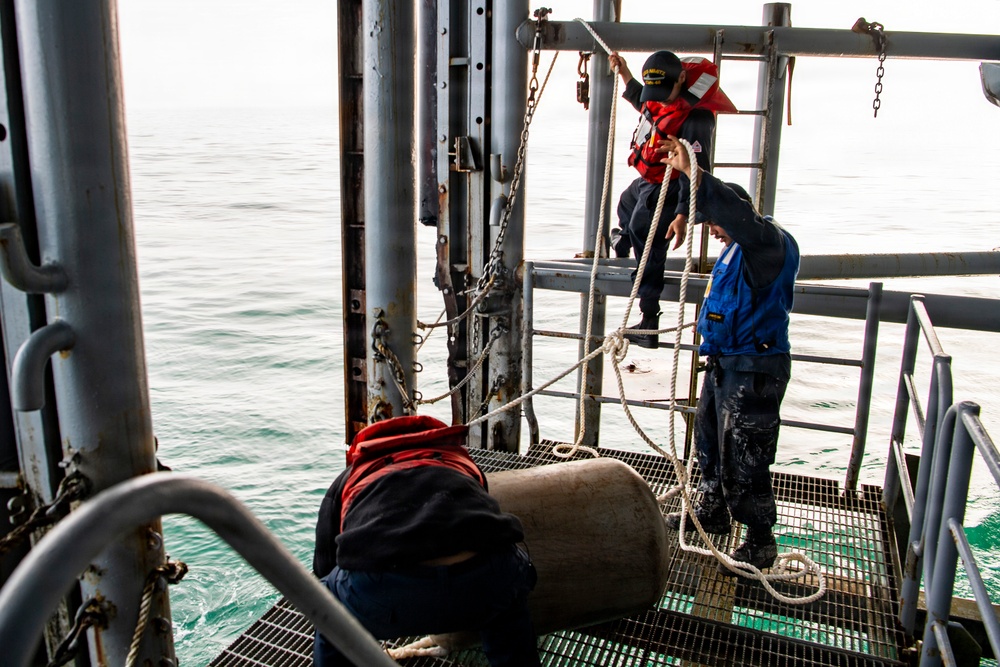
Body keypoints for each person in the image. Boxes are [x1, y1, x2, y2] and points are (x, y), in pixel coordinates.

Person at [657, 135, 800, 575]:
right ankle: (714, 512)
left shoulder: (766, 244)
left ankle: (760, 543)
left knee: (747, 456)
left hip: (754, 369)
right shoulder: (737, 250)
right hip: (726, 366)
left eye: (715, 224)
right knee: (710, 446)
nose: (712, 232)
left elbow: (741, 219)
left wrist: (694, 175)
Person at [312, 415, 540, 666]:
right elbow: (485, 516)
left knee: (328, 610)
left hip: (385, 594)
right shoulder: (460, 461)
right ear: (438, 438)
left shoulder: (350, 476)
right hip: (483, 584)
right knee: (507, 605)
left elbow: (324, 563)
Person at [607, 50, 736, 349]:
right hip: (650, 182)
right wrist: (624, 71)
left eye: (665, 93)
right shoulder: (660, 97)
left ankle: (648, 318)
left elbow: (697, 171)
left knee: (646, 234)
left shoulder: (697, 117)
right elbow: (640, 98)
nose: (661, 99)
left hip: (675, 188)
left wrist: (681, 215)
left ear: (681, 79)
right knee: (627, 204)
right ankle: (623, 239)